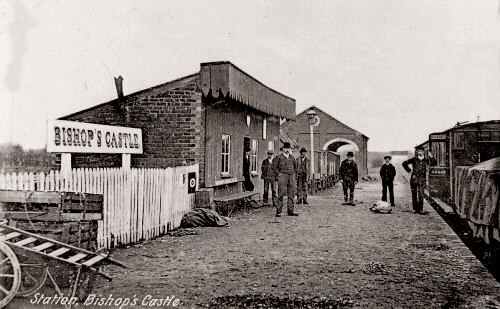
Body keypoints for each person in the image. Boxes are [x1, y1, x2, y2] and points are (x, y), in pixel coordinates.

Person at [402, 147, 434, 214]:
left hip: (422, 180)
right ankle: (415, 209)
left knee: (421, 194)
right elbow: (404, 163)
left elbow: (434, 163)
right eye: (419, 151)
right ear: (417, 152)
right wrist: (409, 171)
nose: (420, 153)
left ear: (423, 152)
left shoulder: (426, 160)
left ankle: (420, 209)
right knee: (414, 194)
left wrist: (431, 157)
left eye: (421, 151)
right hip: (414, 179)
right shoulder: (414, 159)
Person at [272, 142, 298, 217]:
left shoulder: (292, 158)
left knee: (291, 194)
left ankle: (290, 210)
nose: (287, 150)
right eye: (286, 148)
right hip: (282, 176)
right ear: (283, 149)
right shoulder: (278, 157)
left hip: (291, 176)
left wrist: (294, 175)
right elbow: (274, 167)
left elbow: (295, 167)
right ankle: (279, 211)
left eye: (288, 148)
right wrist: (279, 174)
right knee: (281, 193)